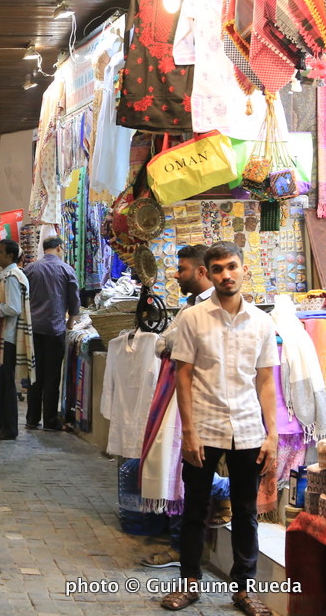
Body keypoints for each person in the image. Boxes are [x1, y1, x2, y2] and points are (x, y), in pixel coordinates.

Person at [159, 242, 277, 615]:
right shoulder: (193, 319)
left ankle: (244, 590)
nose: (226, 275)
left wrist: (271, 434)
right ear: (208, 274)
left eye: (232, 267)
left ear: (243, 269)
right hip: (205, 427)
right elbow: (183, 375)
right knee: (195, 508)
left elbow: (265, 381)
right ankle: (189, 583)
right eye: (219, 269)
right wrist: (189, 431)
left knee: (246, 511)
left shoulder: (261, 322)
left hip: (246, 428)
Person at [142, 244, 230, 570]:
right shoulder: (191, 307)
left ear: (202, 271)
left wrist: (171, 344)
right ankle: (183, 550)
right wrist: (170, 344)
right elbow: (165, 342)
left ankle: (185, 546)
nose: (177, 275)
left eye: (182, 270)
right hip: (183, 400)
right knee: (179, 470)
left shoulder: (214, 309)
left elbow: (175, 344)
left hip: (201, 404)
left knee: (185, 471)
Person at [23, 236, 80, 431]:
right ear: (59, 248)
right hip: (55, 329)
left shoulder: (31, 269)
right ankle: (50, 420)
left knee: (35, 374)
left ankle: (31, 419)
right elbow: (74, 300)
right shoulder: (66, 269)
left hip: (34, 328)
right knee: (52, 375)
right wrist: (71, 322)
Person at [0, 239, 35, 442]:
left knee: (6, 384)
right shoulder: (10, 275)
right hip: (5, 335)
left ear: (10, 256)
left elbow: (13, 308)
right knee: (1, 382)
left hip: (9, 337)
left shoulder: (13, 277)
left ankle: (9, 428)